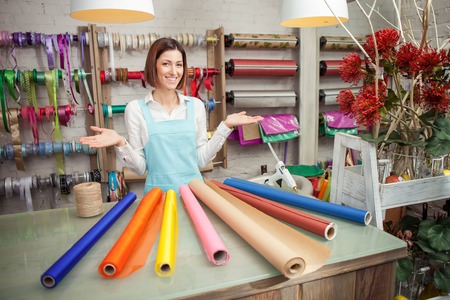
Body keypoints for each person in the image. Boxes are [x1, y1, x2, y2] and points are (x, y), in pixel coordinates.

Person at [80, 37, 263, 193]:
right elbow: (140, 168)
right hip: (157, 198)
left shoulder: (196, 106)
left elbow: (200, 160)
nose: (174, 72)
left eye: (179, 65)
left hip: (195, 193)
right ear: (154, 66)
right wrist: (121, 142)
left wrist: (226, 126)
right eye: (166, 64)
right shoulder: (135, 109)